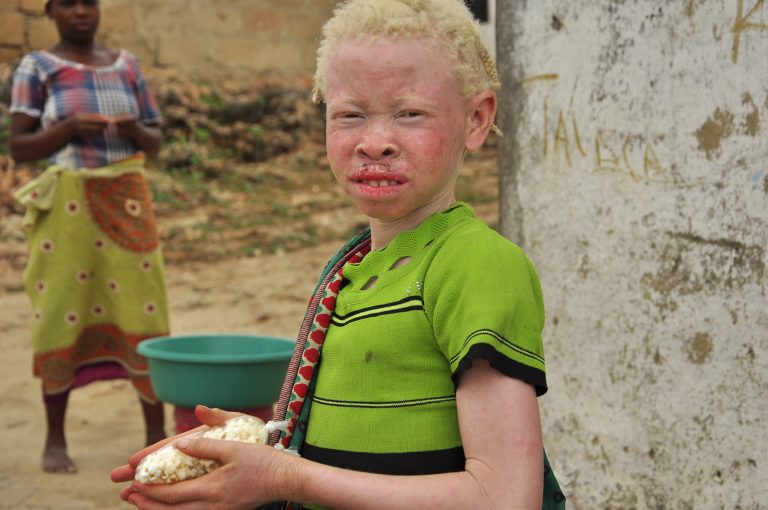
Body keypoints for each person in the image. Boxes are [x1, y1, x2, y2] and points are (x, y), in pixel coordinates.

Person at [111, 0, 566, 508]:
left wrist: (285, 477)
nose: (375, 143)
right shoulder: (355, 268)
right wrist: (251, 446)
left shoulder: (476, 265)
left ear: (476, 120)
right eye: (350, 114)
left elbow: (504, 496)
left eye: (410, 113)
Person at [9, 0, 169, 474]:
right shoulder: (36, 67)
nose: (81, 12)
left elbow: (156, 140)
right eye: (68, 4)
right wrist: (67, 129)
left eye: (89, 3)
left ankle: (155, 435)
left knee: (144, 308)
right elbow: (18, 145)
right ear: (51, 11)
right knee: (62, 309)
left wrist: (133, 128)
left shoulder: (127, 65)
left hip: (129, 199)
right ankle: (55, 439)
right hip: (67, 209)